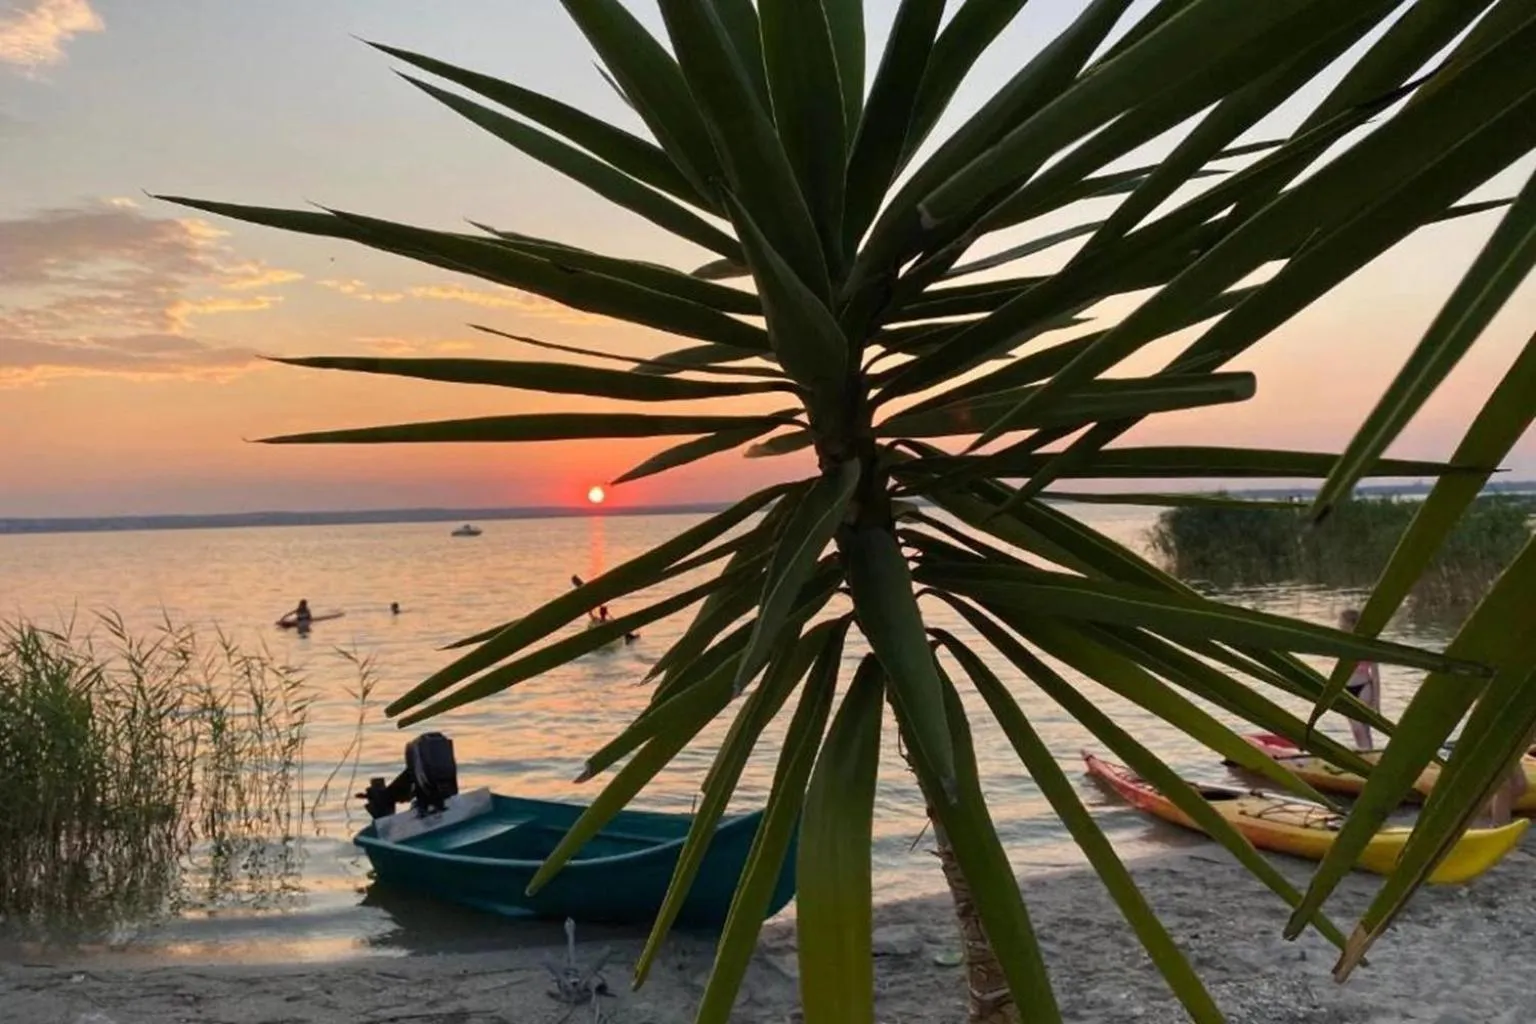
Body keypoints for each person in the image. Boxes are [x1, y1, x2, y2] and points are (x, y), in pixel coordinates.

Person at [1336, 608, 1380, 751]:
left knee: (1360, 727)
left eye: (1342, 622)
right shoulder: (1341, 643)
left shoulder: (1367, 645)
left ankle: (1366, 755)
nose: (1339, 625)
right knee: (1359, 729)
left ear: (1351, 625)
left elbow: (1375, 676)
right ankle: (1368, 753)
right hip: (1346, 689)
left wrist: (1376, 702)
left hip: (1364, 687)